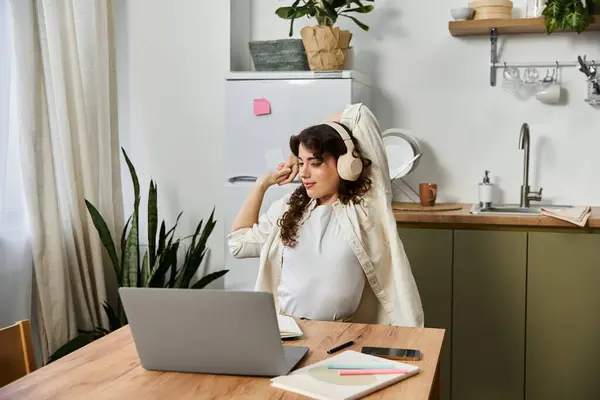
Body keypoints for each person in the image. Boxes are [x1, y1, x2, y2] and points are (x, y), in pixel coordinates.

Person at [228, 103, 424, 327]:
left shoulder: (367, 205)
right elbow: (239, 244)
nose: (303, 172)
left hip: (344, 333)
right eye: (301, 163)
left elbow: (360, 115)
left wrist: (299, 147)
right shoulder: (289, 207)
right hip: (287, 331)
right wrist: (261, 185)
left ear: (345, 164)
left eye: (315, 162)